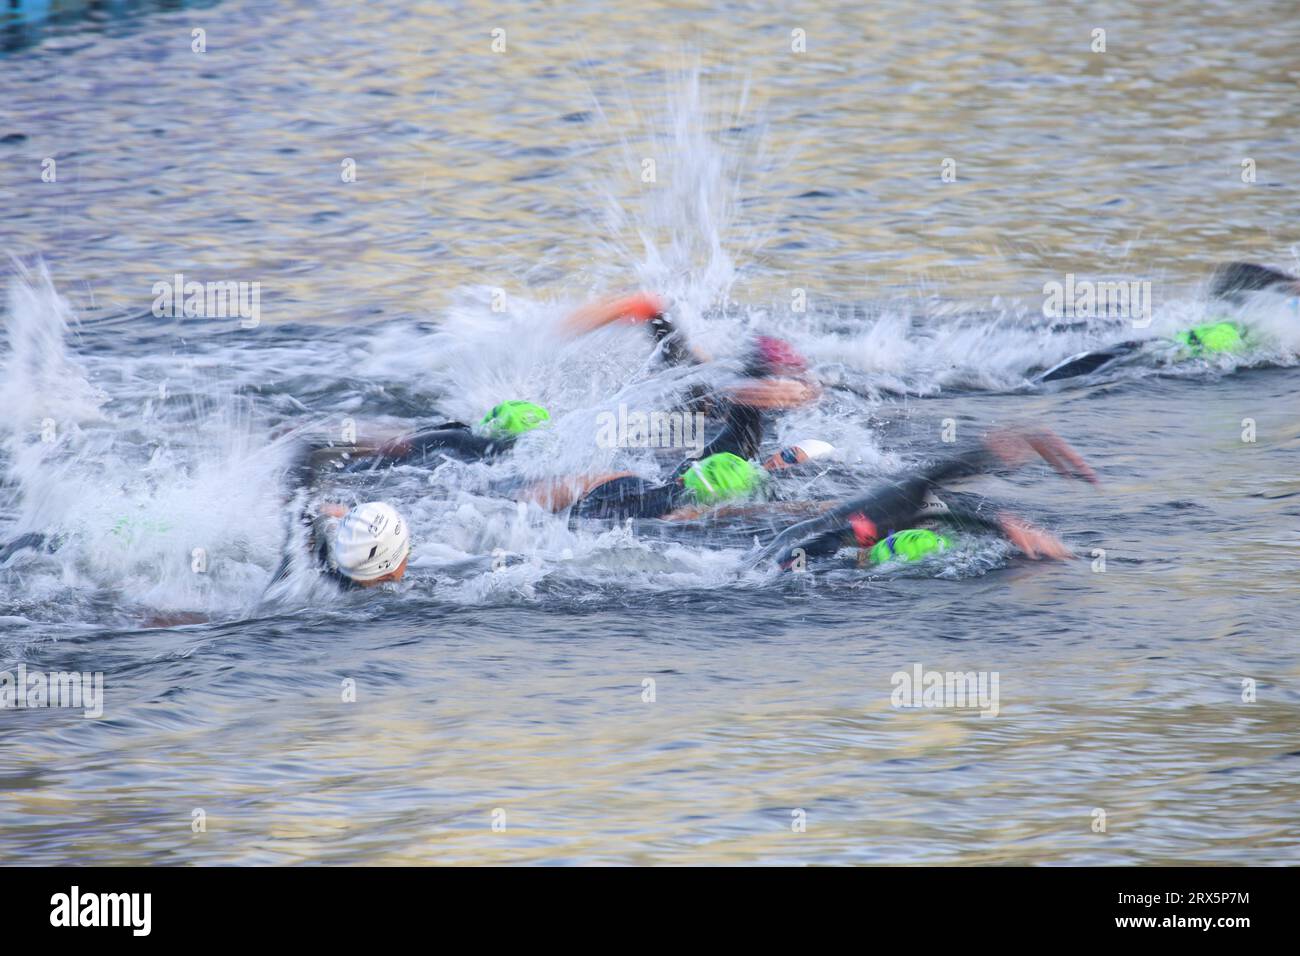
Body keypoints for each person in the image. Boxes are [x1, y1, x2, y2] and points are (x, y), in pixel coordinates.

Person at [754, 426, 1098, 570]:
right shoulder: (914, 494)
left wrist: (999, 527)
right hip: (801, 554)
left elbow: (942, 496)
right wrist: (1002, 529)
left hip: (789, 547)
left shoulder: (924, 495)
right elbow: (938, 494)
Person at [1035, 261, 1299, 382]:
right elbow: (1231, 277)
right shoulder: (1271, 303)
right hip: (1166, 354)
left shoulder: (1273, 310)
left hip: (1164, 352)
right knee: (1068, 376)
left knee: (1073, 373)